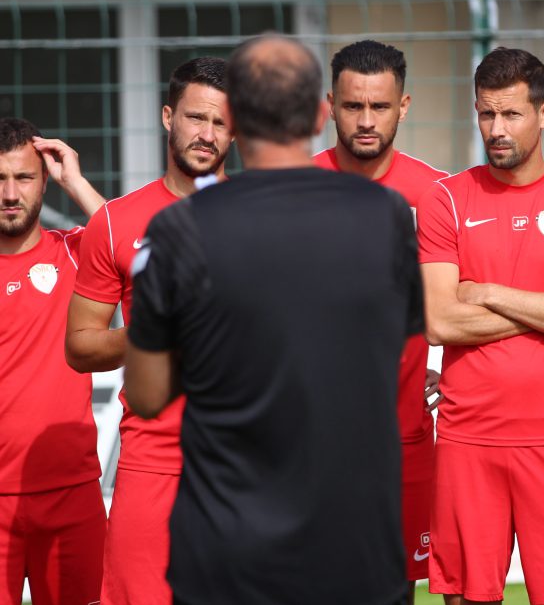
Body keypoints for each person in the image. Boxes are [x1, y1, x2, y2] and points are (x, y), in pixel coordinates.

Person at [122, 34, 419, 604]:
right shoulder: (384, 215)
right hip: (354, 545)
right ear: (319, 115)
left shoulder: (178, 229)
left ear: (234, 119)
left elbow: (147, 392)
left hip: (228, 549)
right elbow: (396, 339)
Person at [417, 47, 544, 605]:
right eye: (487, 114)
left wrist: (487, 293)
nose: (497, 129)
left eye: (511, 114)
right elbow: (439, 321)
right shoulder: (445, 200)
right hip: (468, 441)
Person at [65, 57, 232, 605]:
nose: (207, 134)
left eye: (222, 123)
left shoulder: (267, 220)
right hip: (153, 460)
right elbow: (80, 345)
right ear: (167, 117)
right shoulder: (115, 222)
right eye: (196, 117)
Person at [314, 39, 447, 600]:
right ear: (330, 106)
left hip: (402, 439)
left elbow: (467, 295)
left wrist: (455, 371)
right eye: (352, 106)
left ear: (404, 106)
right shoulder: (291, 189)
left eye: (380, 106)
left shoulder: (438, 195)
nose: (366, 121)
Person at [0, 117, 106, 605]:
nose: (10, 194)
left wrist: (76, 183)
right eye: (0, 179)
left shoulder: (76, 251)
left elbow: (147, 253)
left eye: (23, 177)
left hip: (71, 494)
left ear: (45, 180)